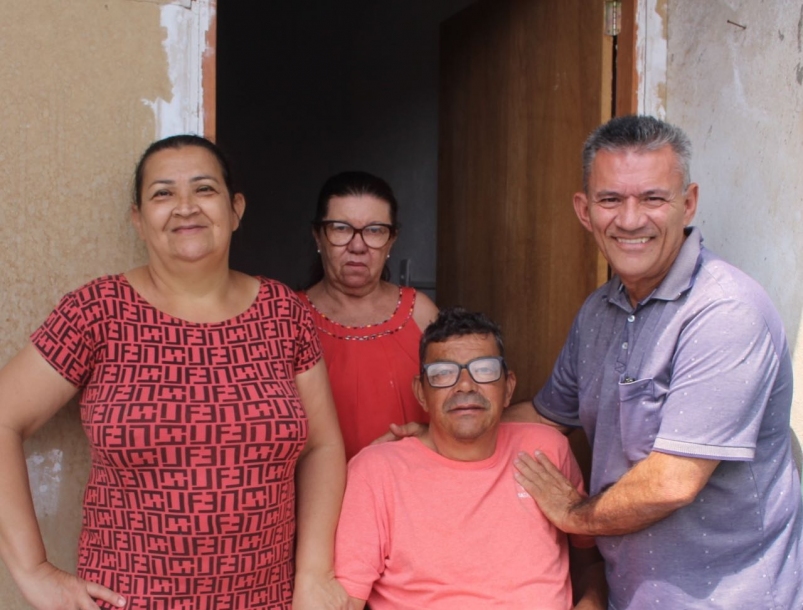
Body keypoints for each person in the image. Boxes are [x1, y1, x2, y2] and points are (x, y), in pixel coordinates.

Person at [0, 135, 348, 610]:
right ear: (139, 221)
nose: (185, 207)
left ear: (235, 208)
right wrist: (33, 571)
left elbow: (323, 445)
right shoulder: (98, 311)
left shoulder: (283, 312)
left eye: (204, 189)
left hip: (266, 601)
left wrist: (313, 574)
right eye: (162, 193)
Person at [509, 115, 803, 609]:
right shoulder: (598, 311)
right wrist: (438, 430)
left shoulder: (725, 311)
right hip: (634, 594)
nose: (629, 219)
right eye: (610, 200)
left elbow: (671, 483)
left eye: (652, 198)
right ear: (584, 210)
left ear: (687, 203)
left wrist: (573, 514)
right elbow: (544, 417)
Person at [334, 307, 607, 610]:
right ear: (421, 393)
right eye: (443, 374)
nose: (465, 385)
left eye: (485, 370)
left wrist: (591, 604)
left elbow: (591, 562)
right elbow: (347, 599)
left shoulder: (547, 450)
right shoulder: (377, 471)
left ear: (508, 388)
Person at [297, 171, 438, 459]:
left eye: (374, 230)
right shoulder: (289, 317)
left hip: (409, 491)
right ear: (318, 235)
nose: (358, 246)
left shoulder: (421, 313)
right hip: (317, 496)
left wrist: (429, 434)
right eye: (340, 228)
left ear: (392, 239)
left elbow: (455, 406)